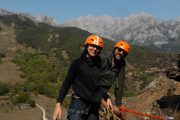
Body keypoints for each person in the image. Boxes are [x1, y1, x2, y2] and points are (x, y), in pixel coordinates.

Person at [53, 35, 112, 120]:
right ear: (86, 46)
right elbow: (67, 83)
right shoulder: (77, 63)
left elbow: (96, 87)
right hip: (78, 104)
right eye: (92, 46)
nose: (95, 49)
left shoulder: (99, 66)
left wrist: (107, 97)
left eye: (98, 47)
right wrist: (58, 104)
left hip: (93, 107)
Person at [100, 40, 130, 115]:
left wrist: (119, 104)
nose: (121, 53)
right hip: (94, 91)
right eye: (119, 50)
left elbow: (119, 84)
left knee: (119, 113)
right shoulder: (103, 58)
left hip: (103, 93)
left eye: (124, 53)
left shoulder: (121, 64)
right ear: (114, 49)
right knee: (111, 111)